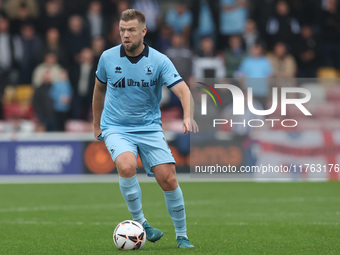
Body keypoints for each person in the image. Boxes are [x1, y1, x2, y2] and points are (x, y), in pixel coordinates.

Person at [92, 9, 198, 248]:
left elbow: (183, 90)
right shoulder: (107, 58)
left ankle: (182, 235)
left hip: (149, 127)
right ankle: (142, 224)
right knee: (127, 165)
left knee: (168, 179)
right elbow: (98, 90)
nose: (125, 35)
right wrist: (96, 124)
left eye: (130, 30)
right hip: (116, 126)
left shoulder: (159, 60)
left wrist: (188, 116)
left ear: (143, 31)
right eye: (122, 30)